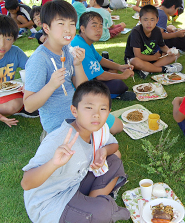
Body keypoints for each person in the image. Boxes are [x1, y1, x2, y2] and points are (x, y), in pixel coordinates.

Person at [21, 80, 130, 223]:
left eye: (102, 109)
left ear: (109, 112)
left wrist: (104, 150)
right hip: (51, 203)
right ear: (74, 111)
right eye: (89, 108)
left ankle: (89, 205)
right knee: (102, 211)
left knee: (114, 161)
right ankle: (100, 209)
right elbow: (26, 183)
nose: (96, 114)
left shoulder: (97, 130)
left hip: (74, 183)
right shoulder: (59, 140)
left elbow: (114, 145)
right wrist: (54, 163)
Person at [23, 0, 89, 136]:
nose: (68, 30)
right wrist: (51, 85)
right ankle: (48, 138)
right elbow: (29, 106)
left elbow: (83, 89)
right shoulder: (39, 59)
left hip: (78, 113)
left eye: (71, 24)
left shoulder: (67, 50)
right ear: (46, 28)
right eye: (61, 24)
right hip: (58, 123)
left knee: (115, 127)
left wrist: (78, 64)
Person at [70, 11, 135, 101]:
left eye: (100, 26)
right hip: (81, 86)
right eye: (94, 26)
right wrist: (122, 76)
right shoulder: (81, 46)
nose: (99, 29)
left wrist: (120, 67)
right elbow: (100, 76)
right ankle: (113, 95)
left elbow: (99, 59)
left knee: (110, 63)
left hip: (88, 75)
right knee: (119, 85)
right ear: (83, 29)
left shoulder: (82, 40)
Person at [124, 5, 182, 79]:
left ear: (157, 20)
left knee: (175, 54)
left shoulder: (157, 31)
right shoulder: (136, 32)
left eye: (152, 20)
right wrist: (154, 57)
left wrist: (168, 50)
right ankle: (163, 69)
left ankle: (147, 70)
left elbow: (162, 46)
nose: (149, 23)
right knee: (134, 61)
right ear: (140, 19)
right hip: (135, 60)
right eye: (145, 20)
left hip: (150, 58)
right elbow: (137, 55)